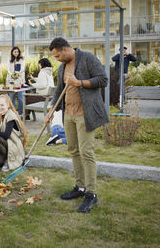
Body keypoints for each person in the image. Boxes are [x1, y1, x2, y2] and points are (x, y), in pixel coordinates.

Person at [45, 37, 109, 213]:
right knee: (73, 150)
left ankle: (91, 193)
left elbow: (103, 80)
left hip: (85, 115)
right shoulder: (62, 68)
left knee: (86, 152)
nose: (56, 59)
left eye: (57, 56)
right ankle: (80, 187)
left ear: (64, 49)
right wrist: (51, 109)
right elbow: (59, 91)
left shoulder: (87, 58)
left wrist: (79, 83)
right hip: (69, 115)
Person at [0, 94, 28, 172]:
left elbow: (6, 135)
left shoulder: (11, 116)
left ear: (8, 105)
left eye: (2, 105)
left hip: (13, 144)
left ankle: (2, 160)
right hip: (5, 142)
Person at [6, 46, 25, 115]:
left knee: (21, 98)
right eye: (15, 52)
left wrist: (17, 73)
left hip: (20, 80)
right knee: (11, 98)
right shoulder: (9, 59)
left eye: (17, 52)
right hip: (11, 80)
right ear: (12, 52)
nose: (16, 53)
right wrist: (12, 74)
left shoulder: (21, 60)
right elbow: (8, 69)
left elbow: (22, 68)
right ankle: (13, 113)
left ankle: (20, 113)